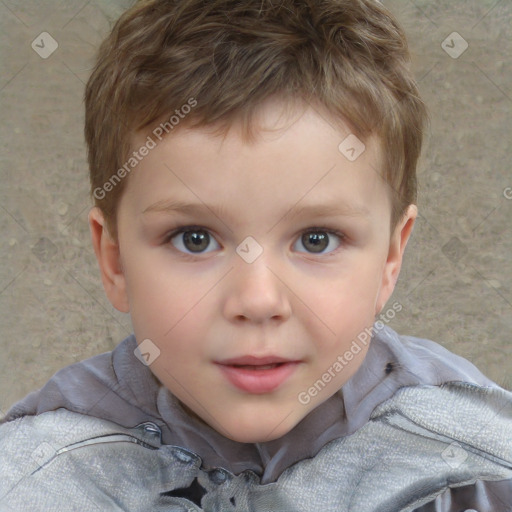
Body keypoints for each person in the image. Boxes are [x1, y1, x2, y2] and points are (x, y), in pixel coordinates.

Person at [1, 0, 511, 510]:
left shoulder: (473, 464)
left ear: (390, 259)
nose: (258, 299)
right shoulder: (40, 477)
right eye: (194, 239)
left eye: (316, 239)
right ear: (114, 260)